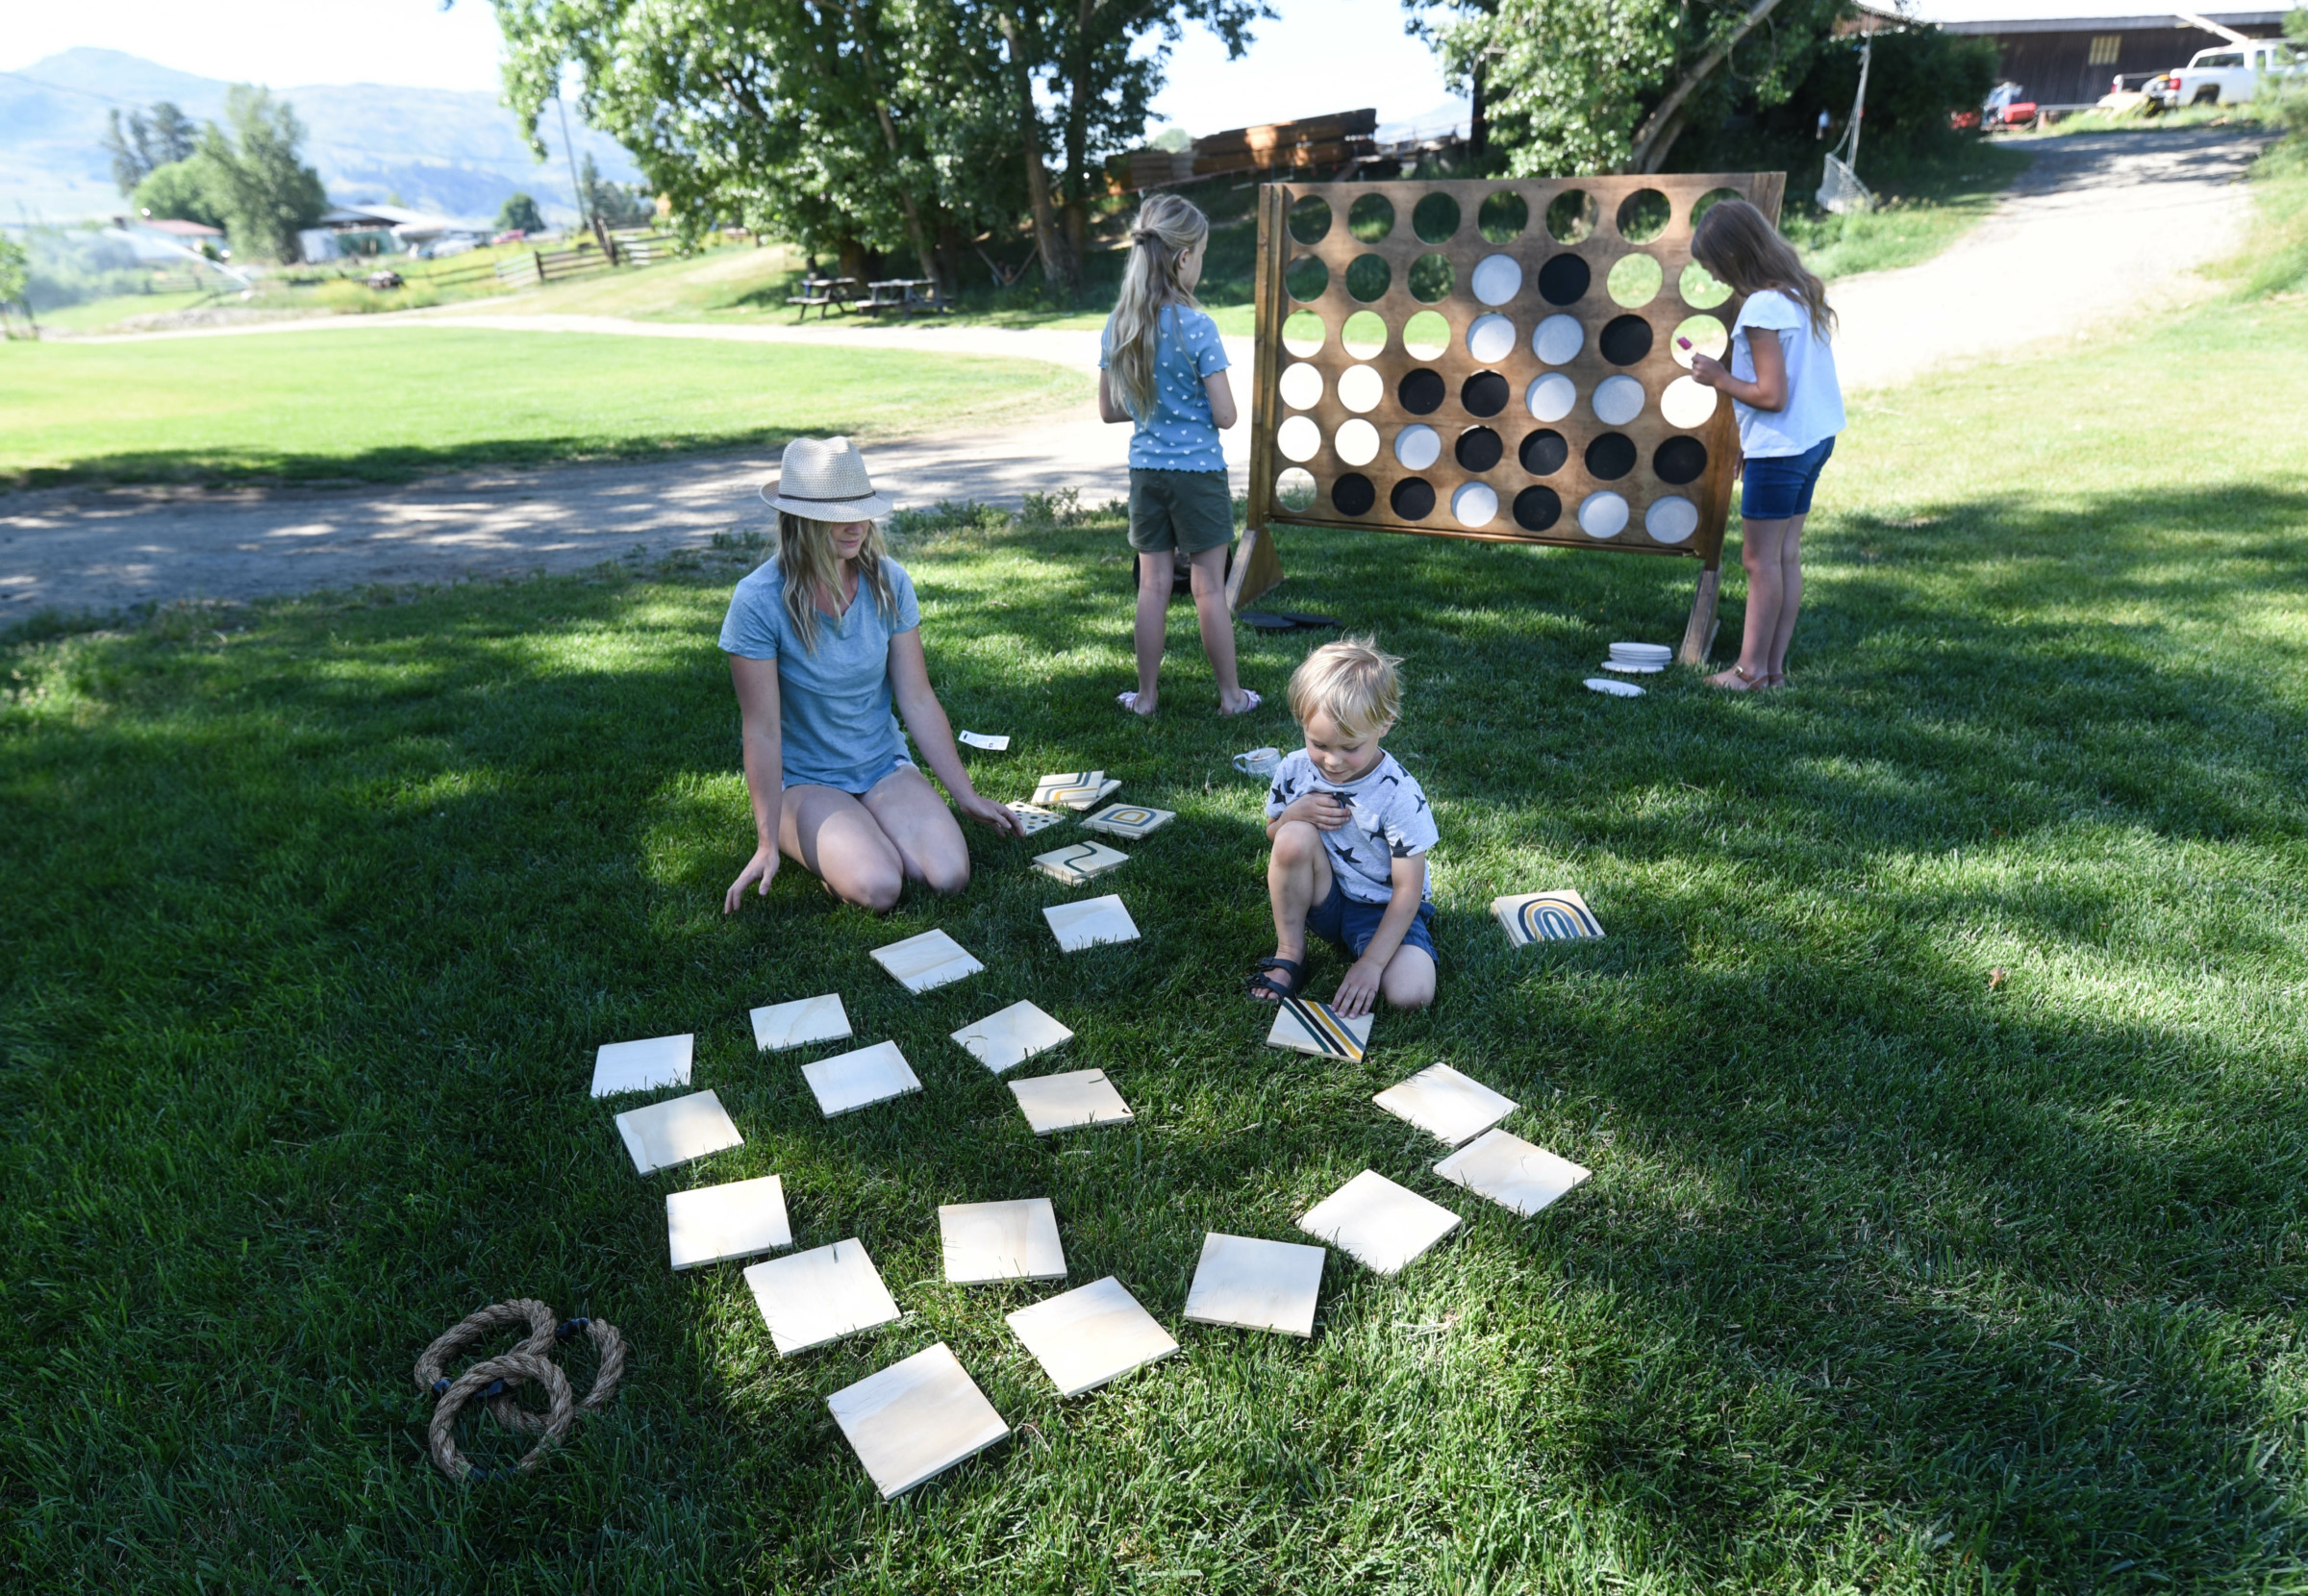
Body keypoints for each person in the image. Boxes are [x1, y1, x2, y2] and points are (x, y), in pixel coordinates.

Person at [719, 436, 1020, 913]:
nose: (857, 524)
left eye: (862, 507)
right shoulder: (756, 601)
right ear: (800, 518)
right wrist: (765, 841)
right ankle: (827, 841)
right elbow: (762, 728)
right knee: (881, 887)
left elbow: (918, 699)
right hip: (805, 780)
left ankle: (859, 830)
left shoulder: (890, 581)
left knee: (949, 876)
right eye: (839, 513)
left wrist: (966, 795)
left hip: (881, 765)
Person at [1098, 192, 1260, 719]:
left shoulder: (1120, 324)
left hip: (1147, 474)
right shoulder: (1198, 326)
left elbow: (1109, 409)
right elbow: (1227, 414)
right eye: (1203, 255)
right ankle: (1231, 698)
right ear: (1184, 257)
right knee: (1209, 588)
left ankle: (1146, 697)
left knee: (1153, 586)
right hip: (1198, 476)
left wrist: (1154, 410)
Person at [1686, 198, 1846, 691]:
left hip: (1780, 450)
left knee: (1760, 561)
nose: (1713, 277)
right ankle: (1772, 672)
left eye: (1712, 265)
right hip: (1813, 441)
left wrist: (1716, 376)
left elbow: (1772, 395)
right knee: (1785, 556)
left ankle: (1748, 671)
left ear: (1733, 257)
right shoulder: (1797, 291)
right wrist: (1743, 439)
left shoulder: (1760, 307)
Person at [1248, 637, 1437, 1017]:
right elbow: (1274, 834)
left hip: (1384, 909)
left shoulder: (1398, 794)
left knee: (1411, 994)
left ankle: (1376, 951)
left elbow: (1408, 889)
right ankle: (1290, 952)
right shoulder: (1295, 769)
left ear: (1384, 724)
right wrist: (1293, 814)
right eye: (1318, 743)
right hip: (1324, 898)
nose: (1332, 761)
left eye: (1350, 746)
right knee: (1293, 835)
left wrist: (1371, 963)